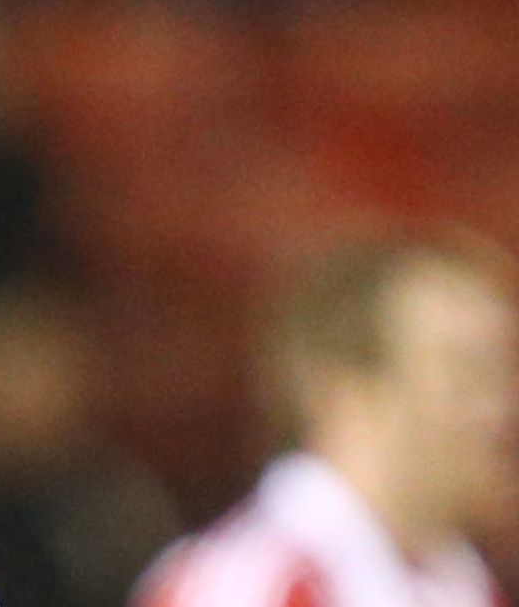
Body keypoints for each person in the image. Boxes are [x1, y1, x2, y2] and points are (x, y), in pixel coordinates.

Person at [132, 232, 518, 607]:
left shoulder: (461, 585)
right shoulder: (248, 587)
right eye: (468, 372)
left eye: (508, 371)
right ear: (348, 395)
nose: (503, 408)